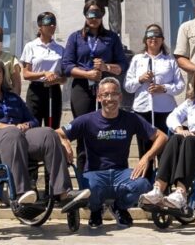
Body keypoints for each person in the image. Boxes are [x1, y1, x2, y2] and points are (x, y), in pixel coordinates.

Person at [0, 56, 89, 208]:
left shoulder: (13, 98)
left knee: (48, 133)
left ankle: (63, 193)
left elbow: (33, 120)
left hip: (17, 138)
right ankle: (21, 193)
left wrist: (26, 125)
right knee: (11, 133)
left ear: (3, 74)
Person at [56, 78, 167, 228]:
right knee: (89, 190)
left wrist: (147, 157)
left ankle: (120, 207)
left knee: (143, 184)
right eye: (106, 94)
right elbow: (57, 133)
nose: (110, 99)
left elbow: (162, 136)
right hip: (95, 173)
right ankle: (95, 211)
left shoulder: (130, 118)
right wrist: (64, 142)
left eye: (114, 94)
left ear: (120, 97)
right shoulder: (87, 120)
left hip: (121, 173)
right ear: (99, 97)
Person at [138, 64, 195, 211]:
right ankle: (158, 189)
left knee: (189, 140)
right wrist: (179, 128)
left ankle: (181, 193)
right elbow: (172, 116)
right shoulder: (191, 102)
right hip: (193, 140)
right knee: (175, 138)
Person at [61, 1, 127, 173]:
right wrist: (87, 74)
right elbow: (66, 66)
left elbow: (122, 65)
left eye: (97, 14)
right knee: (83, 131)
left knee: (106, 129)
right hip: (82, 88)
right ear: (85, 16)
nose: (94, 18)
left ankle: (107, 172)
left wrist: (106, 68)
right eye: (90, 15)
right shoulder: (75, 37)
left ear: (102, 16)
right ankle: (84, 178)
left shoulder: (112, 38)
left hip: (106, 88)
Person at [124, 24, 184, 173]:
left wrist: (163, 88)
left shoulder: (169, 60)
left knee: (165, 150)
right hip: (142, 110)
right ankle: (146, 183)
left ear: (162, 40)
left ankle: (164, 185)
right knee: (145, 149)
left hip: (164, 110)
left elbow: (180, 85)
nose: (153, 39)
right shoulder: (137, 59)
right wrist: (140, 79)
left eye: (157, 36)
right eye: (150, 36)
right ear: (145, 40)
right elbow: (127, 86)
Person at [20, 12, 66, 128]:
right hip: (36, 90)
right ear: (40, 26)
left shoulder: (60, 49)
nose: (52, 26)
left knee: (53, 126)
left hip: (54, 89)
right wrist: (44, 73)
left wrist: (56, 79)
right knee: (33, 126)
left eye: (54, 23)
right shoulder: (30, 46)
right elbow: (26, 74)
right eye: (48, 23)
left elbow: (64, 78)